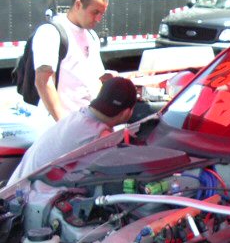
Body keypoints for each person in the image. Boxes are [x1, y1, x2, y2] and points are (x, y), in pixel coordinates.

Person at [8, 78, 137, 185]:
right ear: (127, 112)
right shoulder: (99, 138)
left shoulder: (76, 117)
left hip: (12, 192)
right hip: (31, 201)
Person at [32, 0, 110, 122]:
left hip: (85, 121)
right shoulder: (50, 32)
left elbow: (96, 79)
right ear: (78, 5)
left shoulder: (92, 36)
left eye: (101, 14)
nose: (98, 19)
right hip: (61, 124)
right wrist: (63, 124)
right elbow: (43, 81)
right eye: (95, 12)